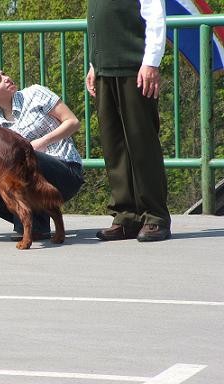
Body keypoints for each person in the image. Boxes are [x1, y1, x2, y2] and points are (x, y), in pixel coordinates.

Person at [0, 66, 84, 240]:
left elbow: (73, 122)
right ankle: (36, 226)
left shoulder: (36, 93)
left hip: (65, 172)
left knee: (22, 159)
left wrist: (41, 142)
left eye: (4, 74)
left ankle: (35, 225)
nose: (6, 78)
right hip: (32, 178)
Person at [85, 0, 171, 242]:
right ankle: (126, 216)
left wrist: (151, 62)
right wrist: (94, 65)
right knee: (114, 147)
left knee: (142, 143)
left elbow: (155, 16)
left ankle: (155, 216)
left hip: (134, 68)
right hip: (105, 69)